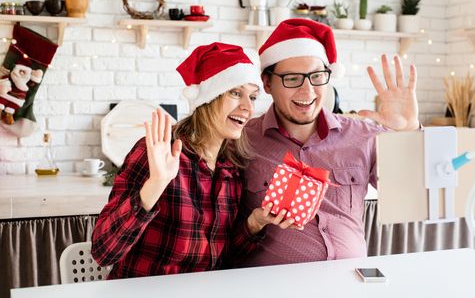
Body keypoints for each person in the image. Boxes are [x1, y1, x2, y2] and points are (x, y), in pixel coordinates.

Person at [91, 42, 292, 279]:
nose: (248, 107)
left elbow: (224, 261)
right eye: (236, 93)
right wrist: (155, 184)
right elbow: (102, 252)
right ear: (208, 98)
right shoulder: (159, 152)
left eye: (253, 97)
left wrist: (254, 223)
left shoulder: (230, 169)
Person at [234, 19, 420, 267]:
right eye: (292, 79)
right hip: (275, 286)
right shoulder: (240, 139)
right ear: (267, 83)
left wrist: (409, 133)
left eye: (316, 76)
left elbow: (411, 198)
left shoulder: (363, 135)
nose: (307, 91)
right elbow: (221, 235)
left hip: (351, 281)